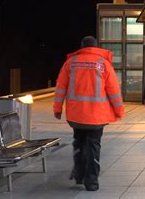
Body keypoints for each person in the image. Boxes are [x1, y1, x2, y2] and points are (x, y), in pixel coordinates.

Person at [53, 36, 125, 191]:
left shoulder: (70, 63)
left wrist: (57, 109)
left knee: (79, 142)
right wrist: (119, 110)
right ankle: (91, 182)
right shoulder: (103, 64)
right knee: (93, 146)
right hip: (96, 117)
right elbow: (114, 90)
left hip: (76, 116)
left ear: (82, 47)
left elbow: (60, 88)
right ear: (96, 47)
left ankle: (79, 174)